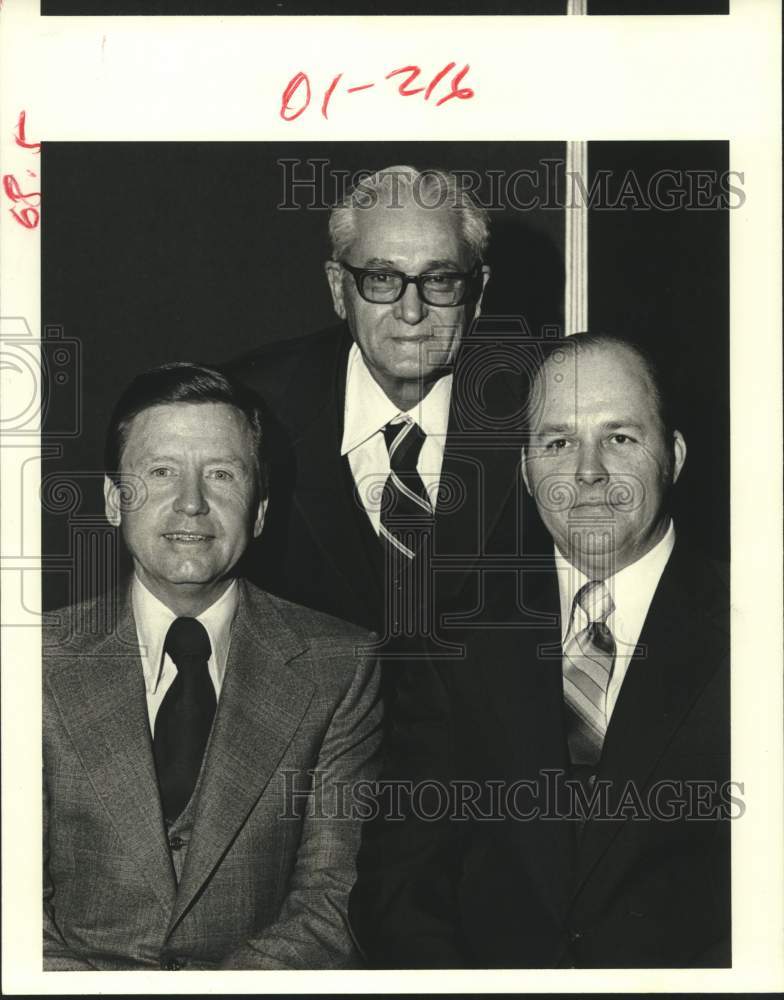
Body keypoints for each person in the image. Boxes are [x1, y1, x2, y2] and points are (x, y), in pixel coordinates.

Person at [349, 332, 731, 968]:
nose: (588, 471)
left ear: (675, 455)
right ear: (526, 471)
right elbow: (400, 881)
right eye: (558, 443)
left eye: (620, 438)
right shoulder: (452, 637)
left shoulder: (758, 628)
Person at [43, 362, 382, 971]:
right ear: (113, 501)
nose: (191, 503)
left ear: (259, 509)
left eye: (221, 474)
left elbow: (333, 900)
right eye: (161, 472)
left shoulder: (341, 666)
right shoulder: (28, 661)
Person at [227, 165, 528, 642]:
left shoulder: (540, 405)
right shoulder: (251, 408)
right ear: (337, 289)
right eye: (382, 278)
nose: (412, 312)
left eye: (441, 279)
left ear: (478, 293)